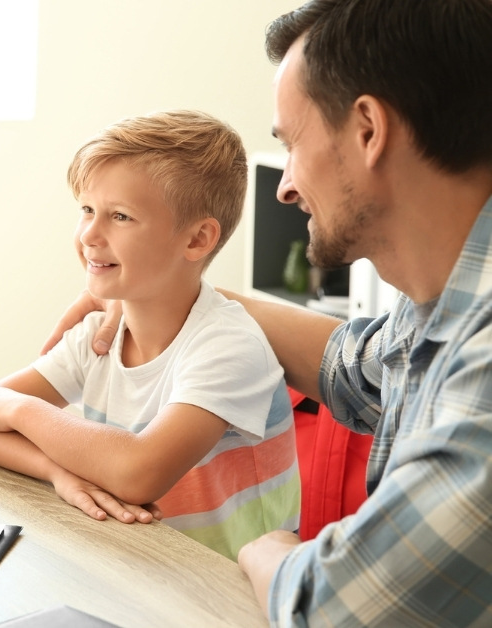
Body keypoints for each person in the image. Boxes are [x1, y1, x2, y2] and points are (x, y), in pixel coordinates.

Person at [46, 1, 492, 624]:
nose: (283, 186)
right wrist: (173, 294)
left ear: (369, 130)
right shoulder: (445, 308)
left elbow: (333, 606)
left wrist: (269, 551)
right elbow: (353, 370)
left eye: (291, 144)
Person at [0, 110, 300, 560]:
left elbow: (138, 473)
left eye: (120, 216)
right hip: (134, 562)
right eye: (87, 210)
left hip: (227, 592)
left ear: (197, 240)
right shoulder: (99, 336)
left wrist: (19, 409)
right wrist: (58, 472)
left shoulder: (228, 346)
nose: (90, 235)